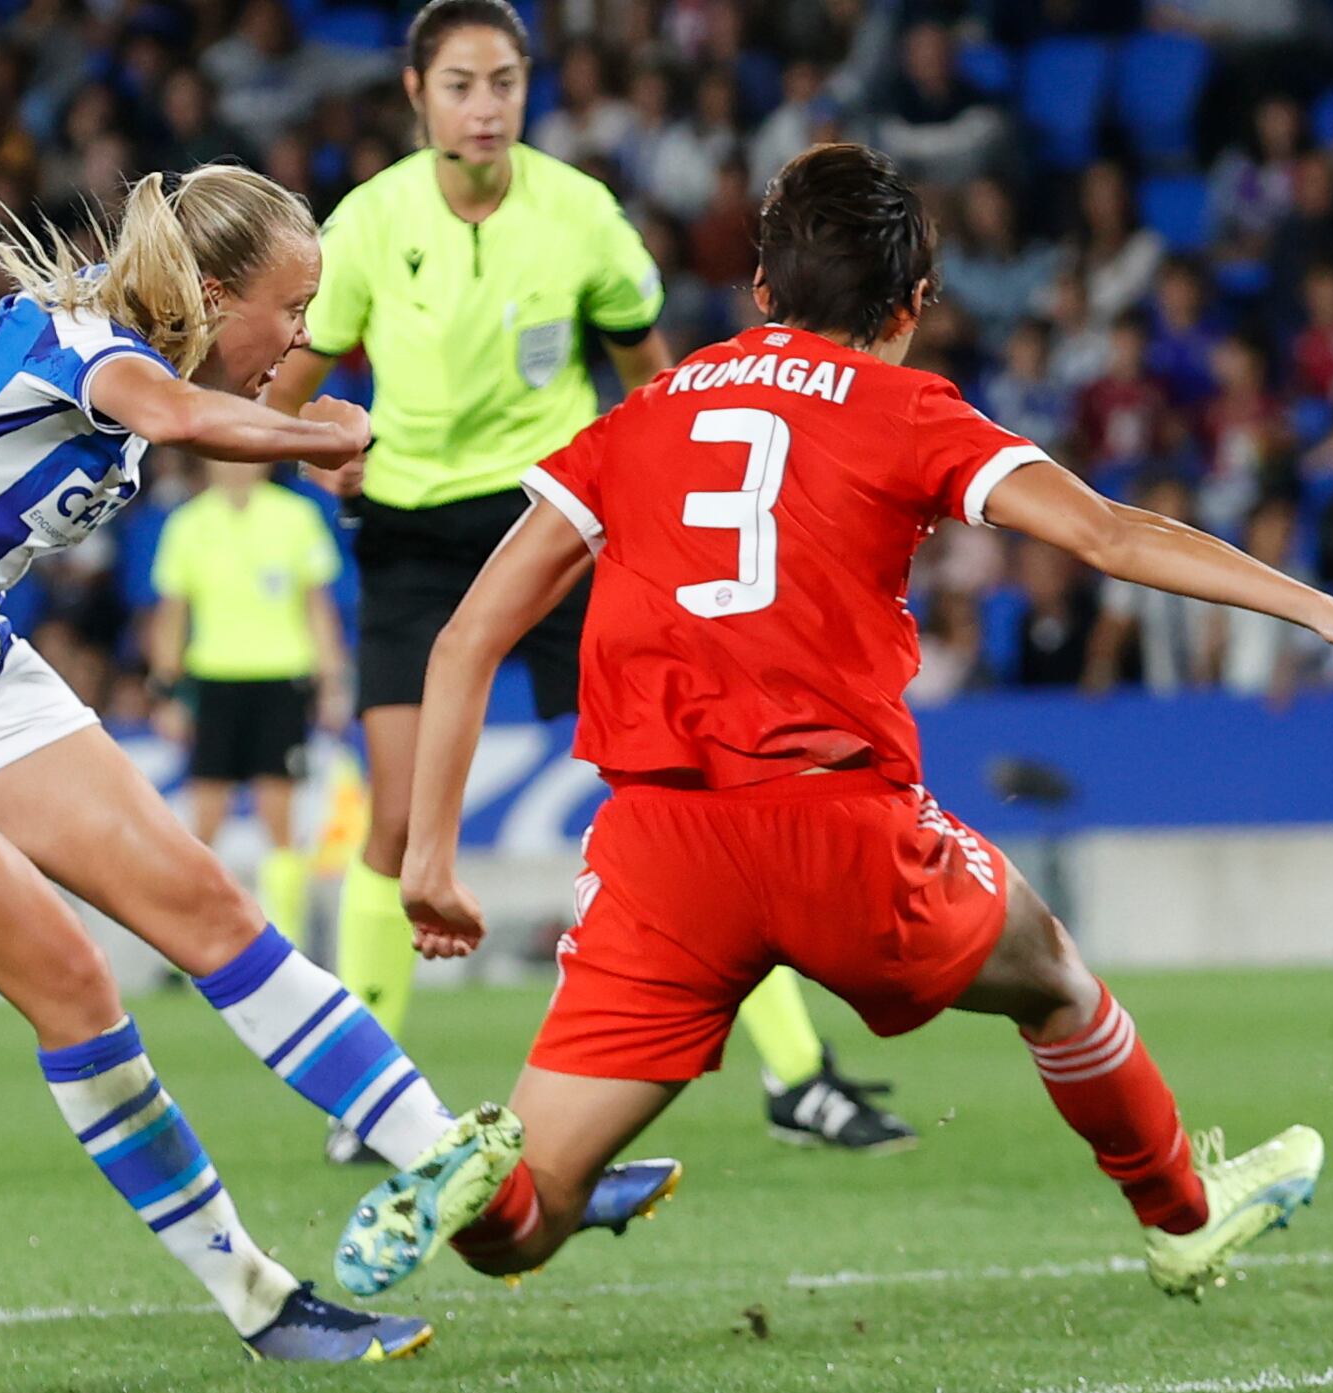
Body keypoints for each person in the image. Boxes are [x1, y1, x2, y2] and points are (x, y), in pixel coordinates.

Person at [336, 144, 1333, 1305]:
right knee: (1059, 982)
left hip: (660, 849)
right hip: (839, 826)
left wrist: (427, 856)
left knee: (528, 1223)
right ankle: (1184, 1212)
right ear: (913, 304)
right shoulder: (907, 408)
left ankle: (477, 1176)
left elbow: (463, 640)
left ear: (762, 290)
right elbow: (1111, 537)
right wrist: (1324, 610)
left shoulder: (640, 417)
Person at [0, 162, 526, 1364]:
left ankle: (456, 1168)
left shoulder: (96, 315)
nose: (302, 338)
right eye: (290, 312)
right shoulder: (114, 360)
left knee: (206, 903)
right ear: (210, 292)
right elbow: (180, 419)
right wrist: (315, 435)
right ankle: (257, 1297)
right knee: (75, 983)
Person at [267, 0, 917, 1165]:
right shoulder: (366, 227)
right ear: (416, 95)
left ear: (528, 90)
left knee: (687, 797)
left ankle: (801, 1078)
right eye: (461, 83)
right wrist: (328, 458)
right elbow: (283, 392)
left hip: (553, 523)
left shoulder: (583, 220)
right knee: (401, 818)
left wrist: (655, 505)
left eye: (505, 82)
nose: (485, 105)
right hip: (413, 534)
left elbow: (658, 386)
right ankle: (372, 1099)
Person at [148, 459, 346, 946]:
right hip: (214, 679)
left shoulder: (295, 516)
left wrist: (333, 681)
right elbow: (172, 615)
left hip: (281, 678)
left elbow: (317, 605)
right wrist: (166, 691)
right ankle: (194, 942)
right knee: (205, 821)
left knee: (279, 817)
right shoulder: (188, 523)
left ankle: (286, 937)